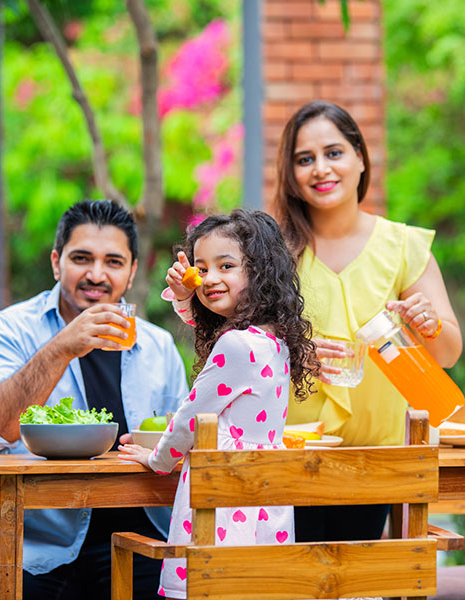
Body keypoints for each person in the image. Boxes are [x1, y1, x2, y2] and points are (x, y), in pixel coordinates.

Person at [0, 200, 188, 600]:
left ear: (132, 271)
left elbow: (183, 441)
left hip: (139, 536)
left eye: (113, 262)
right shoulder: (11, 329)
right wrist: (61, 347)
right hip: (34, 540)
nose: (96, 274)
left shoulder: (158, 345)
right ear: (56, 262)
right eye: (81, 258)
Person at [270, 99, 463, 543]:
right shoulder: (273, 251)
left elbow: (449, 353)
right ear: (292, 175)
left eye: (334, 152)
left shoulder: (403, 246)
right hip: (286, 455)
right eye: (305, 159)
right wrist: (293, 351)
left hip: (375, 459)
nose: (321, 168)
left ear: (360, 157)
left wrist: (427, 322)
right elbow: (239, 342)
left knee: (356, 583)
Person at [119, 209, 319, 599]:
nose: (209, 279)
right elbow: (205, 321)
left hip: (224, 504)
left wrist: (157, 460)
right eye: (201, 268)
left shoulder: (235, 345)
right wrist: (182, 296)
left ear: (258, 272)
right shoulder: (273, 340)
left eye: (225, 265)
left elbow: (189, 419)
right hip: (262, 500)